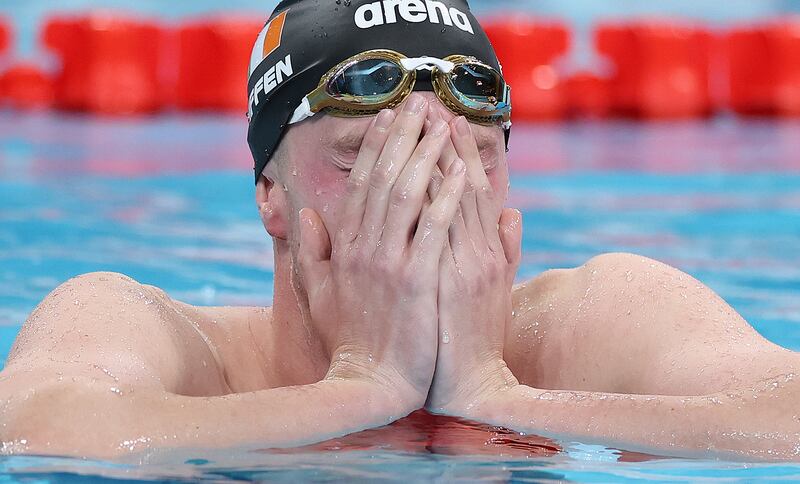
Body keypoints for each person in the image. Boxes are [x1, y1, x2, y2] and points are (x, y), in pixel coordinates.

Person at [2, 0, 799, 461]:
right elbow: (32, 430)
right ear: (268, 197)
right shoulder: (164, 338)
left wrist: (499, 394)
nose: (428, 195)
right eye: (366, 160)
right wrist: (358, 388)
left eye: (469, 155)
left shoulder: (588, 323)